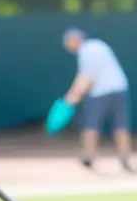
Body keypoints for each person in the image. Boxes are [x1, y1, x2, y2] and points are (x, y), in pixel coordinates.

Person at [44, 28, 132, 171]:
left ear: (75, 39)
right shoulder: (99, 45)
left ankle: (88, 157)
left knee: (91, 126)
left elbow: (85, 78)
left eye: (67, 42)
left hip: (100, 93)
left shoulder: (86, 52)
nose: (67, 46)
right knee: (121, 126)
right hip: (120, 88)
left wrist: (70, 99)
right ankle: (125, 160)